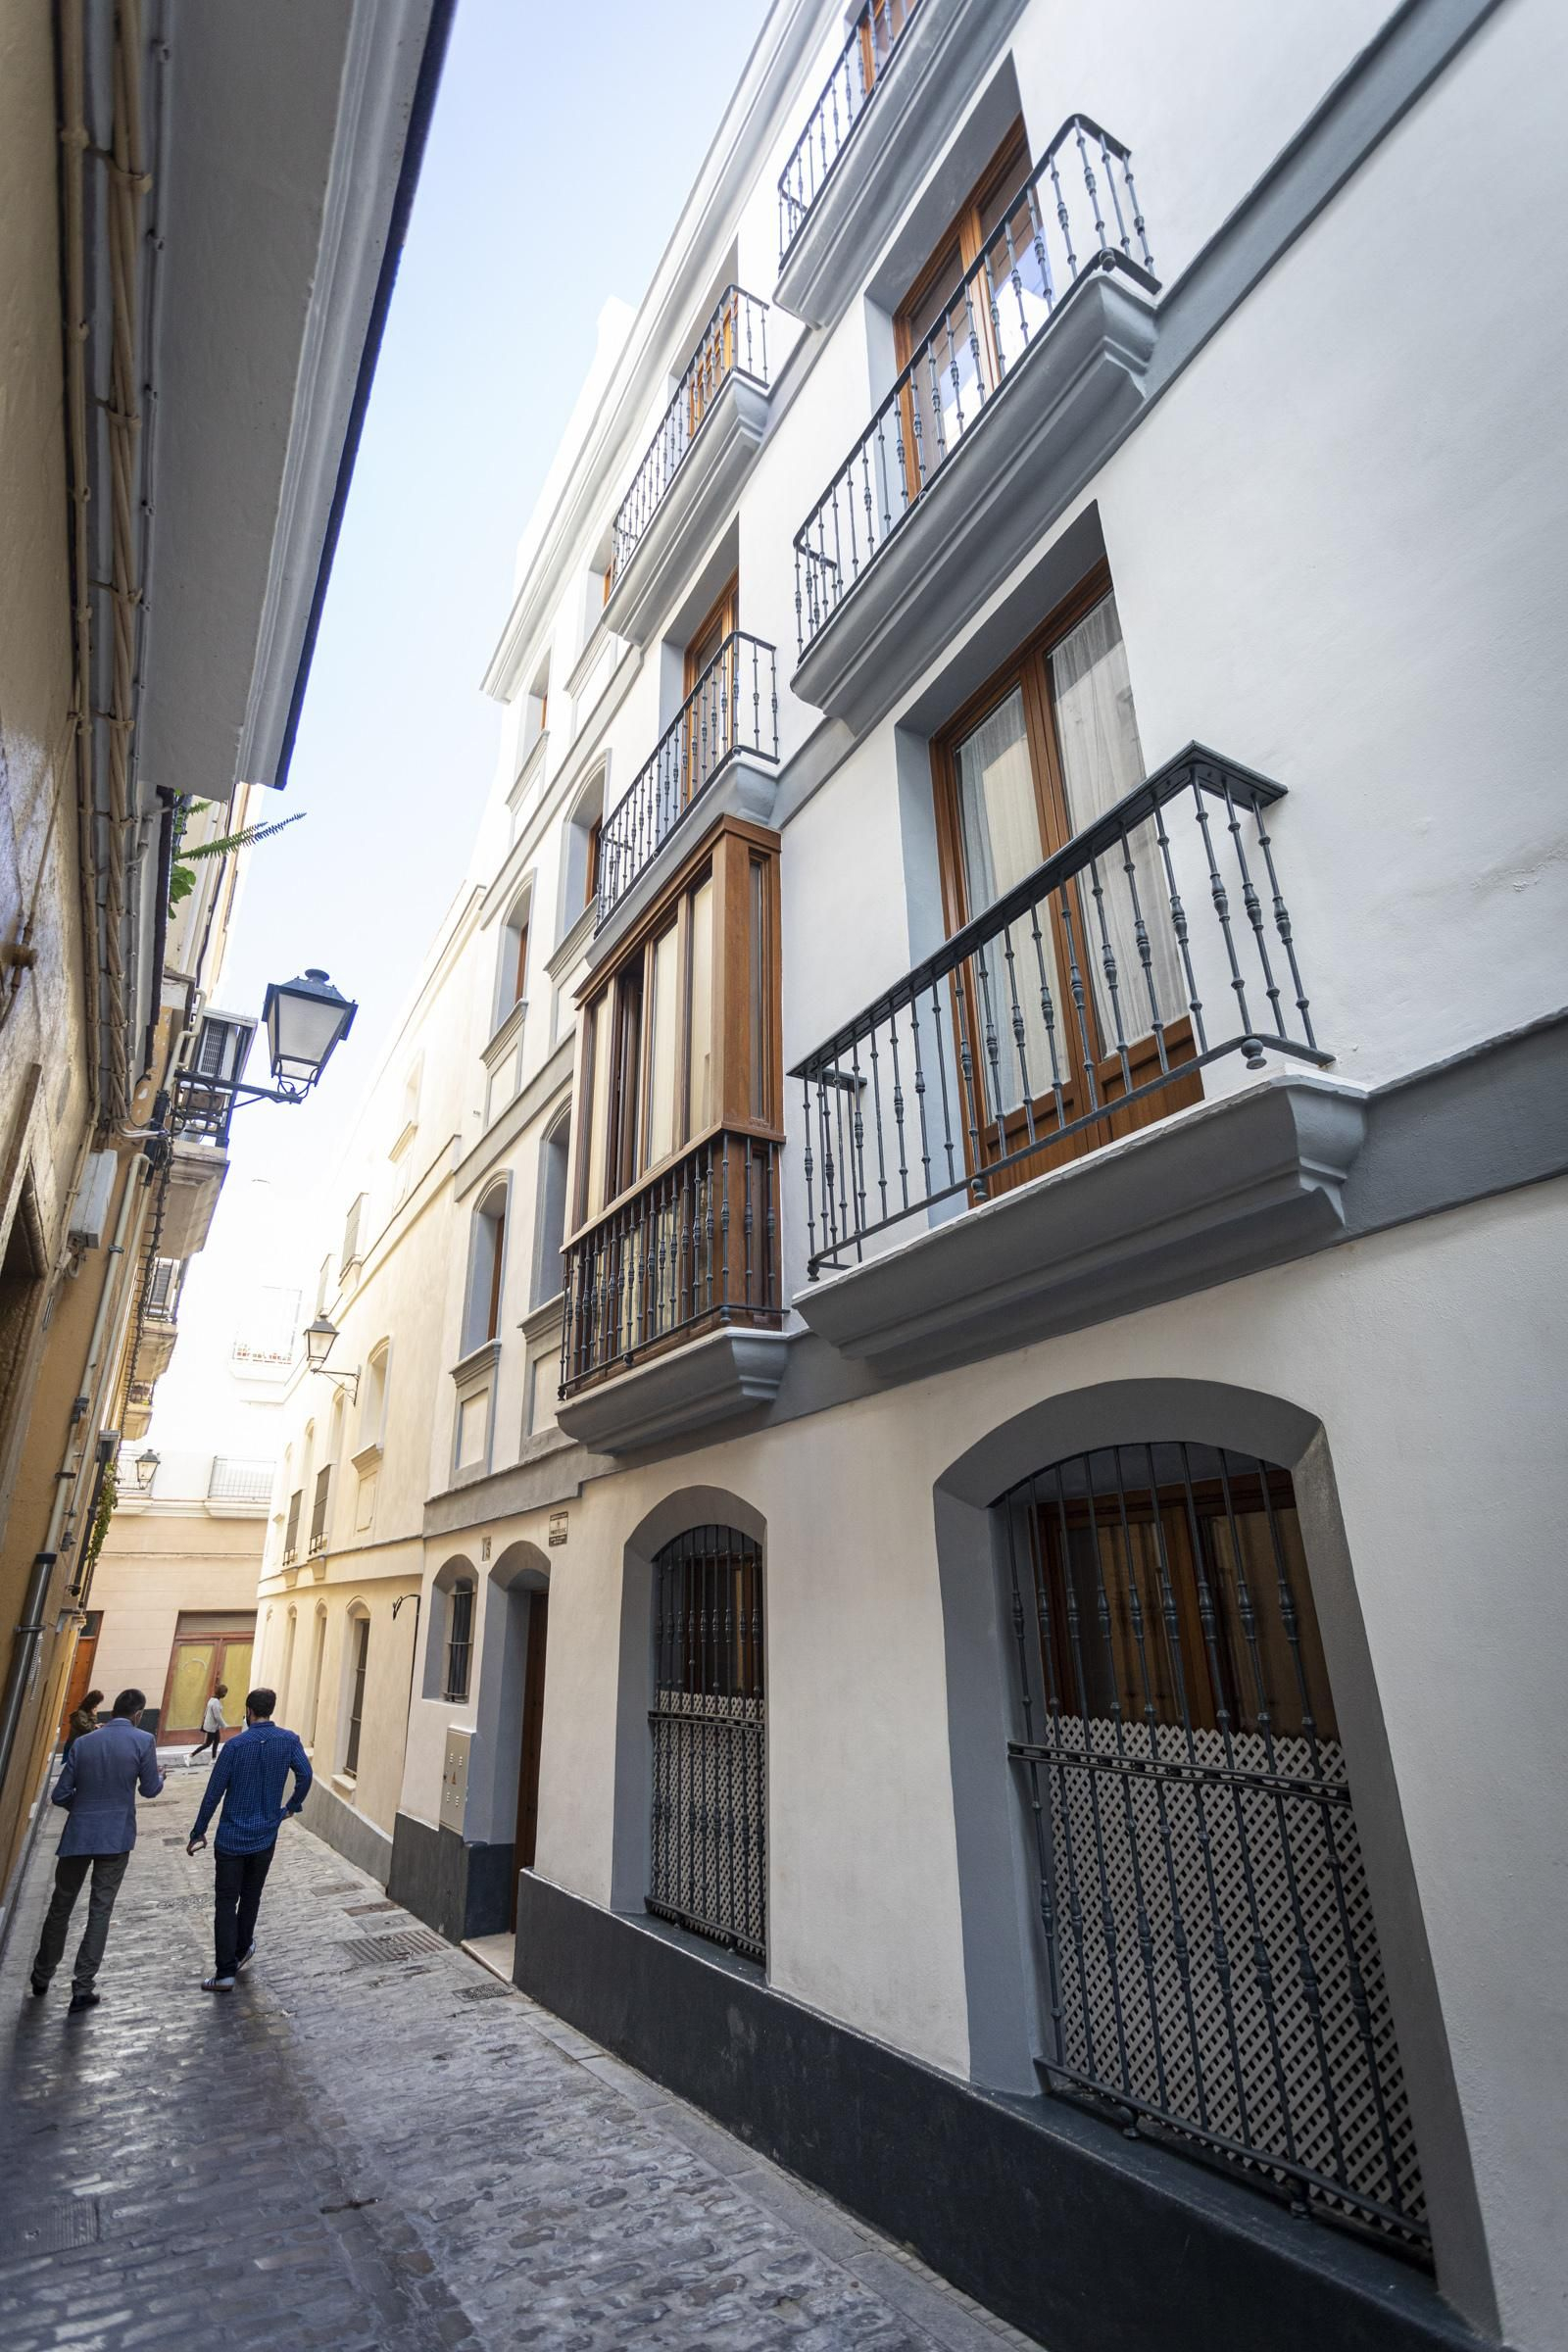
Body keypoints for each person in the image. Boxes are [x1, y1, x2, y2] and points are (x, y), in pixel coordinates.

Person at [30, 1688, 164, 2013]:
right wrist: (160, 1778)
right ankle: (82, 1986)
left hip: (78, 1834)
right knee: (100, 1911)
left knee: (60, 1906)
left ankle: (41, 1976)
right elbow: (148, 1790)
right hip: (115, 1837)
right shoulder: (143, 1741)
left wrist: (85, 1808)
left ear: (112, 1711)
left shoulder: (85, 1743)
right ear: (137, 1715)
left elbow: (61, 1794)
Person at [186, 1686, 311, 1992]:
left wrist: (198, 1830)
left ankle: (225, 1971)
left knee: (226, 1902)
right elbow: (305, 1775)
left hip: (231, 1839)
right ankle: (242, 1949)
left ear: (249, 1711)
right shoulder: (288, 1741)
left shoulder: (235, 1747)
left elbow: (214, 1792)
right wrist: (290, 1808)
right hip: (265, 1836)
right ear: (271, 1709)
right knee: (251, 1896)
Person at [188, 1683, 227, 1766]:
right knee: (208, 1744)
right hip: (211, 1727)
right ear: (222, 1693)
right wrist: (224, 1725)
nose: (225, 1695)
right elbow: (217, 1716)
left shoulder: (212, 1699)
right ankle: (190, 1755)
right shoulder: (216, 1702)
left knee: (216, 1741)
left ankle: (213, 1759)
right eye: (225, 1693)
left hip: (213, 1726)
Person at [64, 1690, 103, 1756]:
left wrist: (95, 1725)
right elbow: (88, 1729)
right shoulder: (80, 1714)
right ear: (93, 1702)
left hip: (78, 1745)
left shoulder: (84, 1713)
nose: (97, 1706)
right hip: (75, 1746)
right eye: (97, 1703)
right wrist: (94, 1716)